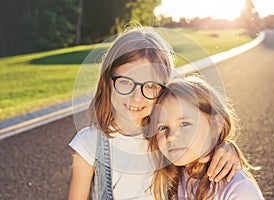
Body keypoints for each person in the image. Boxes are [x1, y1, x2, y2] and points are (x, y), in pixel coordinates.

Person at [68, 26, 240, 199]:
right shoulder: (88, 144)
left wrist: (224, 146)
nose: (136, 98)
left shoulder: (167, 136)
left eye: (150, 86)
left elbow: (199, 150)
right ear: (108, 82)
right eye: (125, 82)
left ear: (162, 90)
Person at [146, 75, 264, 200]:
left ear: (215, 125)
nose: (171, 136)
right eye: (162, 127)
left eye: (185, 124)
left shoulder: (239, 189)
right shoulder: (168, 177)